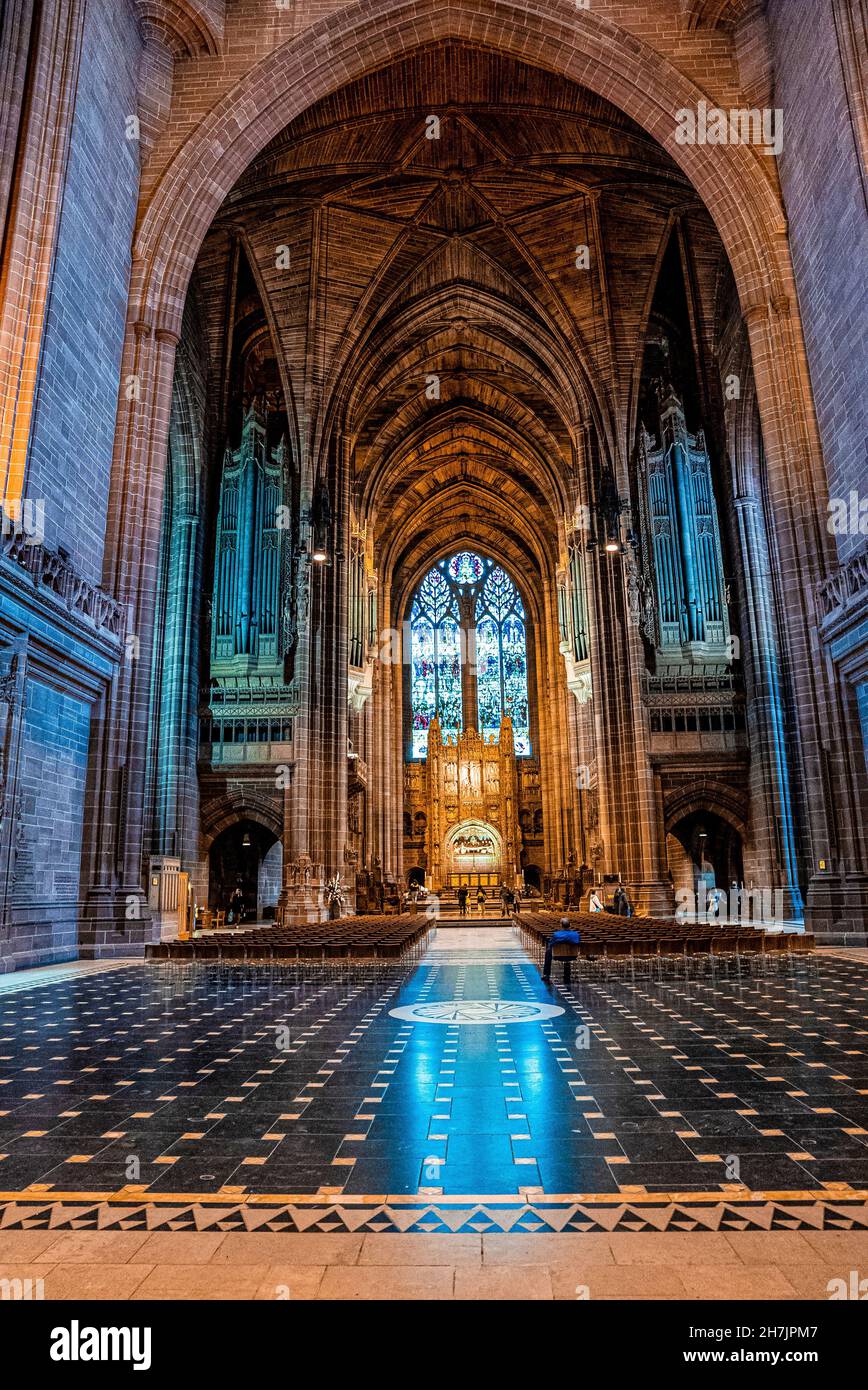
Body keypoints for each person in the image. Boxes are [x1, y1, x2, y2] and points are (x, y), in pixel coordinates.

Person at [542, 915, 581, 983]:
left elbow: (551, 944)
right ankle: (567, 975)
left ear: (561, 925)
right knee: (569, 951)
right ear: (570, 925)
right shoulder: (576, 934)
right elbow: (578, 942)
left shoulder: (557, 934)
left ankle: (547, 974)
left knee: (548, 951)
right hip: (573, 955)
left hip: (558, 956)